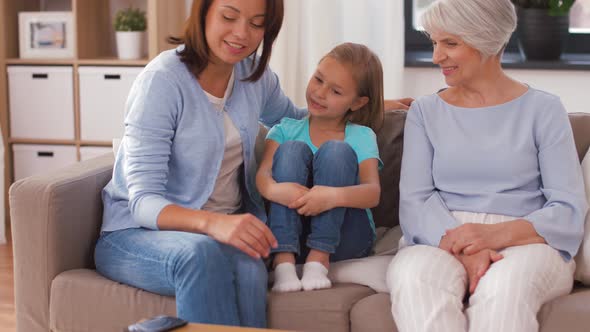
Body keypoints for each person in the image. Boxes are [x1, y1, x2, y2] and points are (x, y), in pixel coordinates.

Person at [94, 0, 411, 327]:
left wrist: (365, 109)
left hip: (224, 233)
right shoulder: (162, 81)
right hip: (137, 234)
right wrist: (214, 224)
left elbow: (299, 120)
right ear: (203, 13)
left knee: (251, 267)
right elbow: (143, 203)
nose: (241, 33)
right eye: (229, 17)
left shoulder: (253, 75)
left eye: (257, 23)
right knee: (199, 256)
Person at [386, 0, 588, 331]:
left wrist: (489, 236)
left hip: (527, 241)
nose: (437, 56)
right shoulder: (425, 112)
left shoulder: (544, 110)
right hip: (441, 235)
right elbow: (415, 200)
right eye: (435, 43)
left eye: (450, 43)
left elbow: (567, 209)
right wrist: (465, 247)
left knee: (504, 290)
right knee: (414, 280)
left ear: (488, 41)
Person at [256, 43, 383, 292]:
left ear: (357, 103)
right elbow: (262, 175)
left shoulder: (361, 135)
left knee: (336, 151)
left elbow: (372, 193)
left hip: (346, 237)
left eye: (335, 91)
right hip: (293, 236)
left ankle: (318, 259)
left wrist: (332, 197)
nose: (320, 93)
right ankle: (284, 263)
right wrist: (274, 191)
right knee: (291, 150)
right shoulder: (283, 130)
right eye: (318, 79)